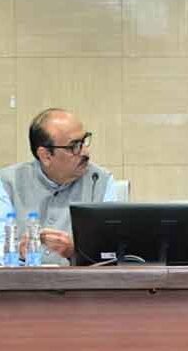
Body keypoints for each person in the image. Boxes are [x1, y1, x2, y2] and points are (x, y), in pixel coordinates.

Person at [0, 108, 116, 265]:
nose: (85, 152)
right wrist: (18, 254)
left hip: (79, 280)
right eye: (74, 146)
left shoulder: (100, 181)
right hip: (21, 279)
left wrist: (75, 251)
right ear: (46, 156)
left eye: (84, 141)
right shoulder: (7, 183)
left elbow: (112, 253)